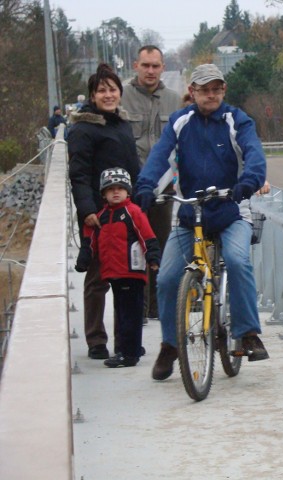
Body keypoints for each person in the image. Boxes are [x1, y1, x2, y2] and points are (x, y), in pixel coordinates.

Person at [134, 63, 269, 381]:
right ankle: (170, 343)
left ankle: (247, 333)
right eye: (204, 89)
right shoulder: (181, 122)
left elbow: (254, 154)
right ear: (192, 92)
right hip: (189, 214)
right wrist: (144, 186)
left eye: (216, 89)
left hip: (230, 210)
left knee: (237, 260)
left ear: (223, 90)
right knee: (167, 279)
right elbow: (160, 157)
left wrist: (248, 181)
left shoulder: (237, 120)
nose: (211, 95)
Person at [68, 63, 140, 360]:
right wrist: (87, 211)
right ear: (92, 95)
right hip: (99, 216)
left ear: (120, 93)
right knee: (98, 279)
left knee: (127, 280)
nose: (108, 95)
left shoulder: (121, 124)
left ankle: (125, 340)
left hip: (126, 214)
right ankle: (96, 339)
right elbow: (80, 175)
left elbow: (133, 168)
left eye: (112, 89)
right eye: (102, 90)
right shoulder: (83, 129)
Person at [120, 45, 183, 324]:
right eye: (145, 65)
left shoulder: (174, 101)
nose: (150, 71)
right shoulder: (121, 96)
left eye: (156, 66)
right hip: (128, 186)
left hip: (163, 186)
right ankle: (138, 308)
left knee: (161, 243)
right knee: (131, 246)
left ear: (162, 67)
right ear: (136, 65)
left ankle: (158, 307)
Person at [75, 168, 160, 367]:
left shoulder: (133, 212)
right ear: (103, 193)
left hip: (132, 271)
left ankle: (128, 354)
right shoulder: (102, 216)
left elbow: (147, 236)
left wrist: (153, 257)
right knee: (122, 311)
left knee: (130, 312)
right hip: (113, 273)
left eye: (120, 188)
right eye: (111, 189)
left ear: (128, 192)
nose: (116, 192)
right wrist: (84, 259)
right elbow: (91, 241)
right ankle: (131, 347)